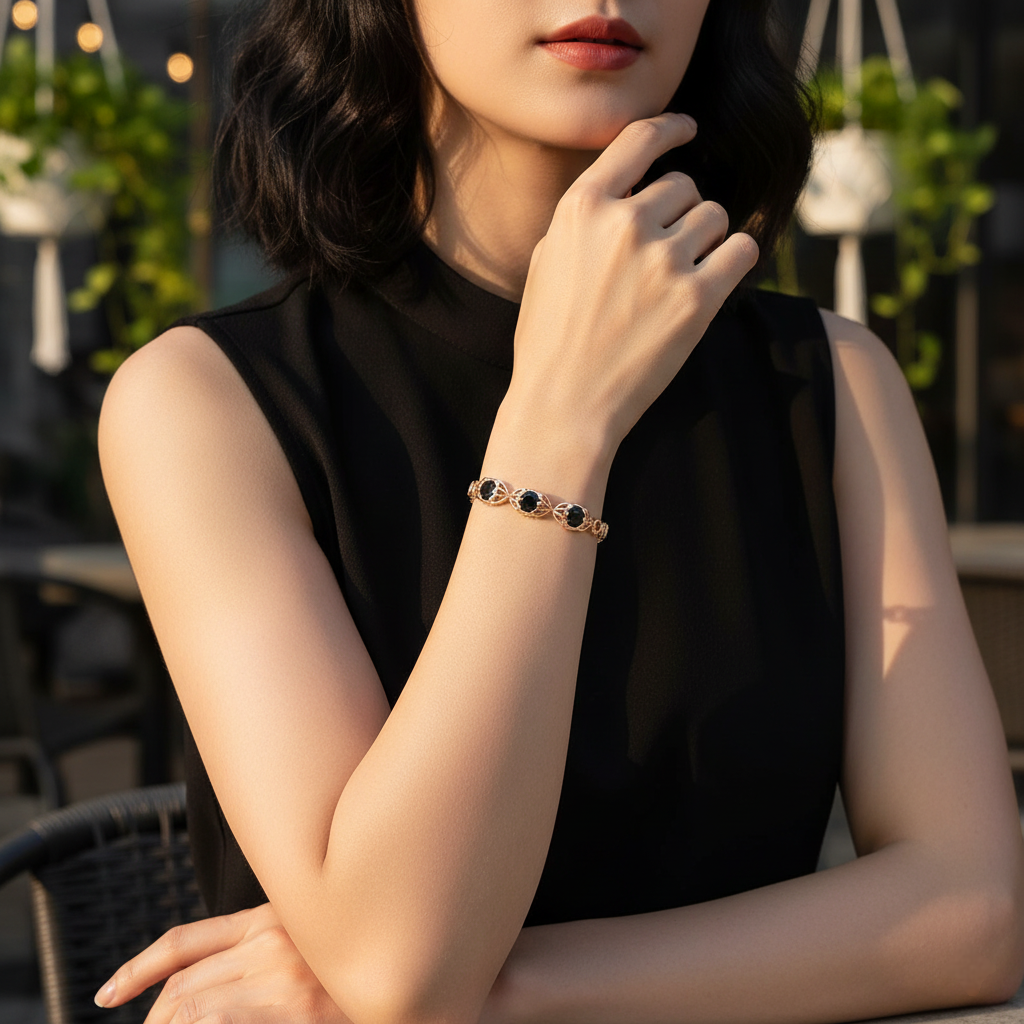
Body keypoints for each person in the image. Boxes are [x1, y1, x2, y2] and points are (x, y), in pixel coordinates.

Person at [95, 0, 1024, 1021]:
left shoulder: (834, 384)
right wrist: (562, 417)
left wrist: (498, 994)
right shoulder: (204, 401)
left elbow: (974, 911)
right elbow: (408, 959)